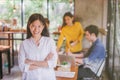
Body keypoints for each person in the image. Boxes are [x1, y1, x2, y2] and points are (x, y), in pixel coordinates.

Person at [18, 13, 58, 80]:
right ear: (29, 26)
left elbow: (53, 63)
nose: (36, 29)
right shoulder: (24, 44)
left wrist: (32, 62)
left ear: (43, 26)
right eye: (33, 26)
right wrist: (44, 63)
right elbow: (22, 66)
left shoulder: (50, 42)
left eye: (39, 26)